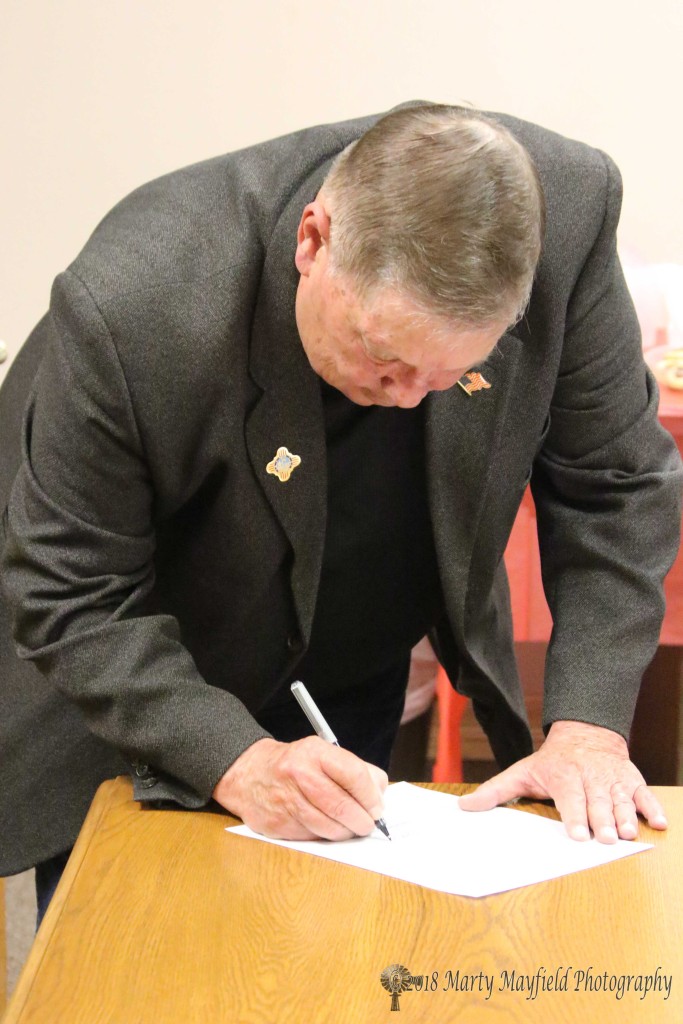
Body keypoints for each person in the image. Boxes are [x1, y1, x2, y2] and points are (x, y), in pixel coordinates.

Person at [1, 102, 681, 919]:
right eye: (384, 357)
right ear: (313, 242)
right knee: (134, 956)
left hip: (345, 640)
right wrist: (234, 758)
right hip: (137, 668)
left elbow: (615, 483)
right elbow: (71, 589)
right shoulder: (139, 303)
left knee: (336, 942)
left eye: (447, 374)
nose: (406, 399)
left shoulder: (563, 214)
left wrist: (589, 729)